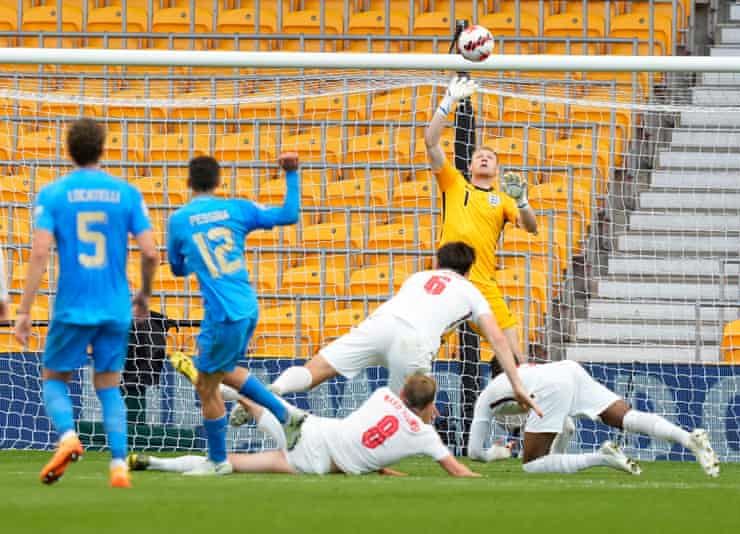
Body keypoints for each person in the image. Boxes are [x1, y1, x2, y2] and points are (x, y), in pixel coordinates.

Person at [230, 242, 541, 427]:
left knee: (315, 371)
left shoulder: (417, 277)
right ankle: (376, 456)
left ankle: (272, 390)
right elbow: (498, 339)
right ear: (469, 270)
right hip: (413, 341)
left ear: (435, 263)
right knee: (413, 415)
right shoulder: (473, 291)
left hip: (380, 323)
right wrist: (518, 383)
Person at [14, 118, 160, 488]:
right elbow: (150, 252)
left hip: (72, 306)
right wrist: (144, 293)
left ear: (69, 150)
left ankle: (67, 436)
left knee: (54, 377)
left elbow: (40, 253)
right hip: (115, 306)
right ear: (102, 149)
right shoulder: (126, 193)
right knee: (109, 385)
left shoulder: (53, 194)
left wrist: (25, 310)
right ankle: (118, 467)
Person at [165, 154, 305, 475]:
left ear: (189, 182)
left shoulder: (179, 220)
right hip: (247, 308)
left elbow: (175, 268)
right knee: (225, 372)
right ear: (218, 182)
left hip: (222, 315)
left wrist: (193, 261)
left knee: (206, 385)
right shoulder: (237, 209)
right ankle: (288, 416)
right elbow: (289, 215)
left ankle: (218, 461)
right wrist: (292, 174)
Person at [128, 374, 481, 478]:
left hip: (315, 430)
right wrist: (479, 476)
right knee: (230, 463)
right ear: (428, 405)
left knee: (263, 400)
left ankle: (229, 394)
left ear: (403, 391)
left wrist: (385, 471)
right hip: (316, 464)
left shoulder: (383, 395)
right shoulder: (426, 435)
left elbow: (366, 442)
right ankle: (157, 464)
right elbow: (456, 470)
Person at [424, 76, 538, 363]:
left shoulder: (504, 199)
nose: (484, 158)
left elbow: (532, 228)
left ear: (497, 168)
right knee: (424, 347)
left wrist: (523, 202)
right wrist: (447, 101)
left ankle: (522, 397)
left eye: (490, 157)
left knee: (514, 354)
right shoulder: (454, 183)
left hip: (483, 283)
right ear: (471, 165)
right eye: (479, 156)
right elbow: (430, 141)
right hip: (448, 278)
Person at [468, 361, 720, 477]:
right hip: (568, 369)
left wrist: (496, 454)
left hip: (554, 386)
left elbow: (473, 452)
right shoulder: (531, 371)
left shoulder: (489, 393)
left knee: (531, 465)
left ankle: (603, 457)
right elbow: (565, 426)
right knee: (627, 417)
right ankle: (688, 439)